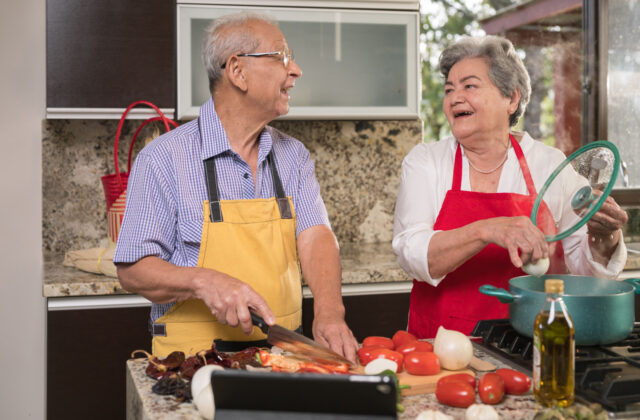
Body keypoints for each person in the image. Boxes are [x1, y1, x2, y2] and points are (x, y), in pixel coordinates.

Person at [113, 11, 358, 361]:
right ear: (238, 71)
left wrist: (331, 312)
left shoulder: (294, 156)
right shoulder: (163, 158)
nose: (295, 70)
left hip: (284, 357)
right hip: (193, 363)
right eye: (281, 56)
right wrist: (204, 281)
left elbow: (316, 235)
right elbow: (134, 270)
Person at [392, 36, 628, 338]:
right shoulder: (426, 162)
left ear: (512, 98)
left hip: (532, 341)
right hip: (441, 346)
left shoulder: (549, 165)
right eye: (449, 89)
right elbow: (411, 253)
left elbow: (587, 274)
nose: (454, 98)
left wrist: (602, 235)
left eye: (469, 86)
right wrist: (486, 230)